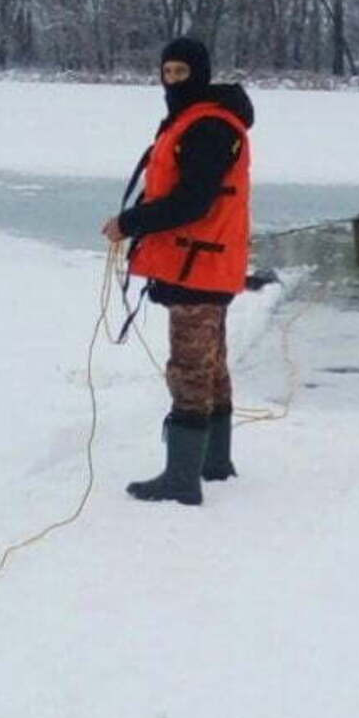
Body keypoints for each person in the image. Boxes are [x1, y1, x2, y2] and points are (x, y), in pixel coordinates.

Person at [100, 37, 254, 506]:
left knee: (190, 368)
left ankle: (182, 480)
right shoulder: (197, 120)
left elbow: (192, 202)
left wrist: (130, 222)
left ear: (200, 74)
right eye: (167, 73)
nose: (171, 81)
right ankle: (213, 462)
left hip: (198, 266)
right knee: (212, 364)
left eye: (181, 73)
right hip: (205, 263)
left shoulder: (207, 126)